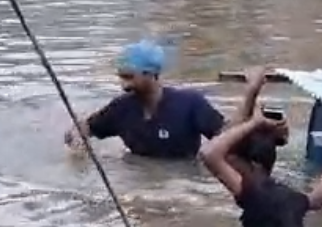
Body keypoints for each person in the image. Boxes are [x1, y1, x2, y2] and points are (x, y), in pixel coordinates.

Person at [199, 68, 322, 227]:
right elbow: (318, 197)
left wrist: (254, 122)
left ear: (250, 164)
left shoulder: (252, 193)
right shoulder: (287, 195)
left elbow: (209, 152)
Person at [64, 40, 225, 159]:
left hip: (184, 181)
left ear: (151, 74)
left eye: (129, 77)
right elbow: (85, 128)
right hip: (138, 178)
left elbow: (227, 137)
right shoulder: (121, 108)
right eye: (121, 76)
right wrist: (76, 138)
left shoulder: (190, 104)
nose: (123, 84)